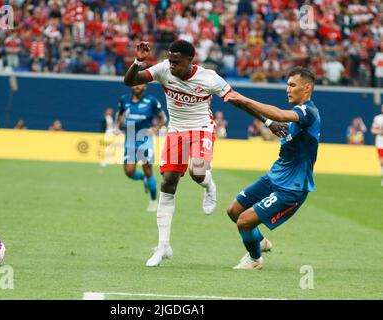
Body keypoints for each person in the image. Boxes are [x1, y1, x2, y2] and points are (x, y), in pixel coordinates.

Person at [123, 40, 287, 267]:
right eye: (170, 61)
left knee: (197, 172)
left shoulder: (209, 78)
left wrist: (268, 121)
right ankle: (163, 246)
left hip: (201, 129)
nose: (172, 66)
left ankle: (209, 186)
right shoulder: (163, 69)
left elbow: (238, 101)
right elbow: (129, 81)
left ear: (191, 61)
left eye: (177, 63)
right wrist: (138, 61)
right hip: (176, 131)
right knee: (168, 182)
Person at [224, 67, 320, 269]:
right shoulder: (296, 116)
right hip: (274, 177)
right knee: (233, 211)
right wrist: (244, 104)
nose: (288, 89)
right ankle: (259, 241)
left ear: (307, 87)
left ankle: (255, 259)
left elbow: (280, 115)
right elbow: (273, 119)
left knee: (244, 222)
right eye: (287, 85)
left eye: (292, 85)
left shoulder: (308, 113)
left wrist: (245, 99)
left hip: (291, 188)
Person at [114, 84, 167, 212]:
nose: (137, 86)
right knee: (129, 172)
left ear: (145, 86)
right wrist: (116, 126)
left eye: (140, 84)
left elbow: (163, 118)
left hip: (144, 138)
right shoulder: (124, 99)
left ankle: (153, 201)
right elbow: (119, 114)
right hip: (130, 136)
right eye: (135, 84)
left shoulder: (151, 101)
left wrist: (155, 128)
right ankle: (143, 179)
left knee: (147, 169)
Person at [371, 104, 383, 186]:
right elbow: (372, 130)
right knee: (382, 162)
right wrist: (380, 132)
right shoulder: (378, 118)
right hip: (380, 143)